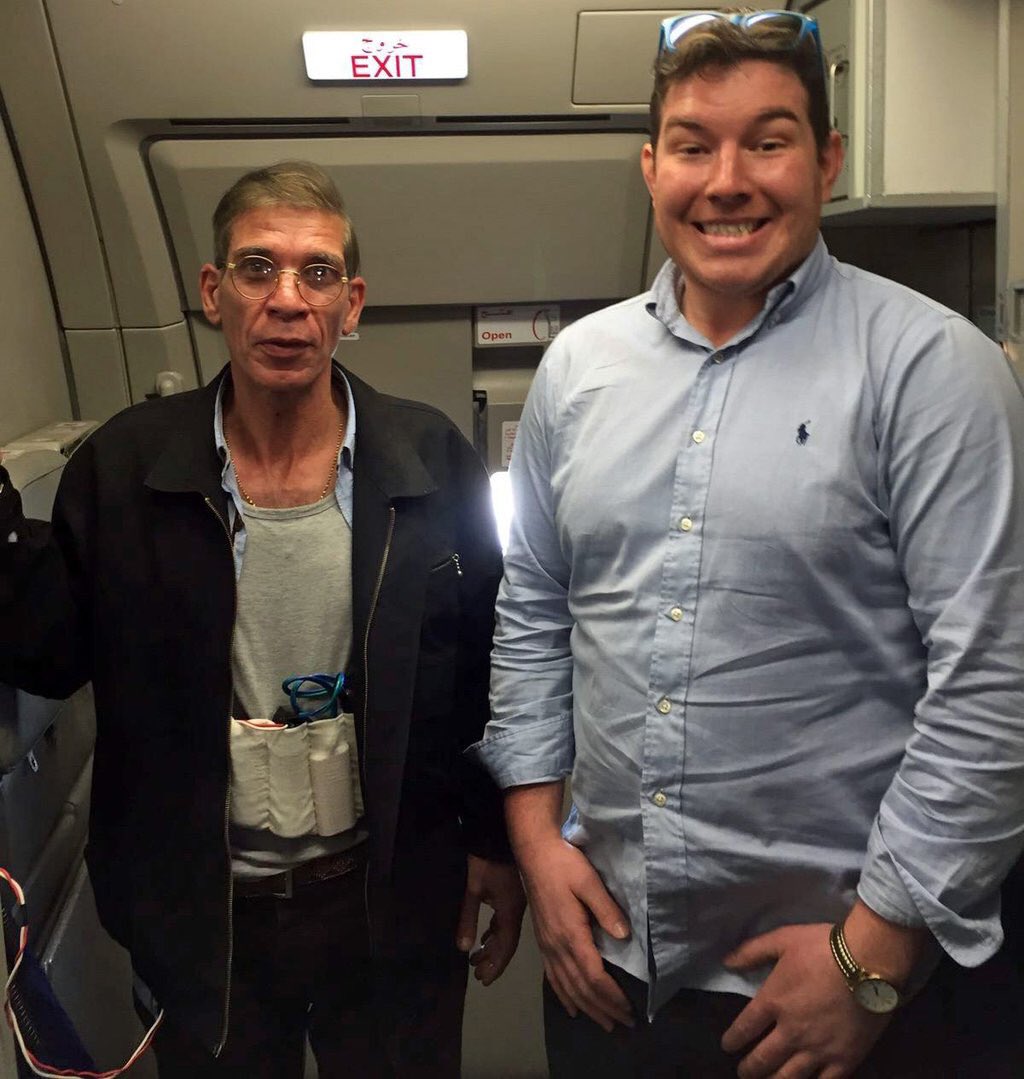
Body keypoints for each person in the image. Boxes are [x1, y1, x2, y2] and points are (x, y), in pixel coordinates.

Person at [470, 9, 1024, 1078]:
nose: (727, 182)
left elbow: (995, 682)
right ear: (651, 167)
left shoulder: (931, 372)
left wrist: (871, 954)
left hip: (842, 990)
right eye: (693, 146)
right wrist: (538, 848)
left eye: (767, 141)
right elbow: (533, 612)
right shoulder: (577, 371)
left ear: (826, 160)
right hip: (611, 973)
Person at [0, 160, 525, 1077]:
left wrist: (494, 842)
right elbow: (50, 651)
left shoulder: (429, 458)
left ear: (351, 304)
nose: (288, 300)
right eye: (257, 268)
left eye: (317, 272)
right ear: (214, 292)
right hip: (209, 923)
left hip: (389, 904)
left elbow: (487, 671)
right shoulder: (126, 469)